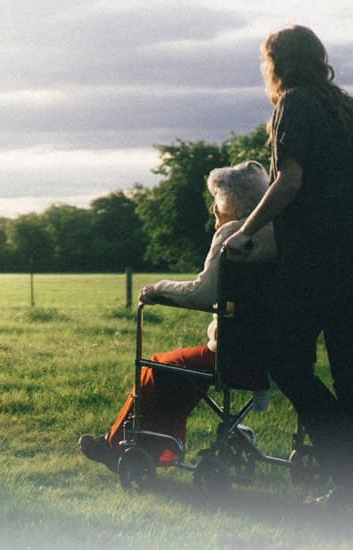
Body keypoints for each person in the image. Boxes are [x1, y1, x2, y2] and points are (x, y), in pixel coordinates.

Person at [223, 25, 353, 506]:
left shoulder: (293, 105)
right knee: (351, 372)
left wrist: (246, 229)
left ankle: (347, 463)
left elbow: (289, 181)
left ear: (276, 63)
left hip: (319, 264)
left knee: (287, 363)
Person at [79, 160, 276, 471]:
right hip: (275, 355)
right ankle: (153, 448)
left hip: (234, 355)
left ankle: (119, 446)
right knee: (179, 371)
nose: (213, 209)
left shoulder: (232, 234)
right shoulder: (276, 235)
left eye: (217, 199)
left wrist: (159, 289)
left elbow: (202, 293)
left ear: (234, 202)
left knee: (158, 367)